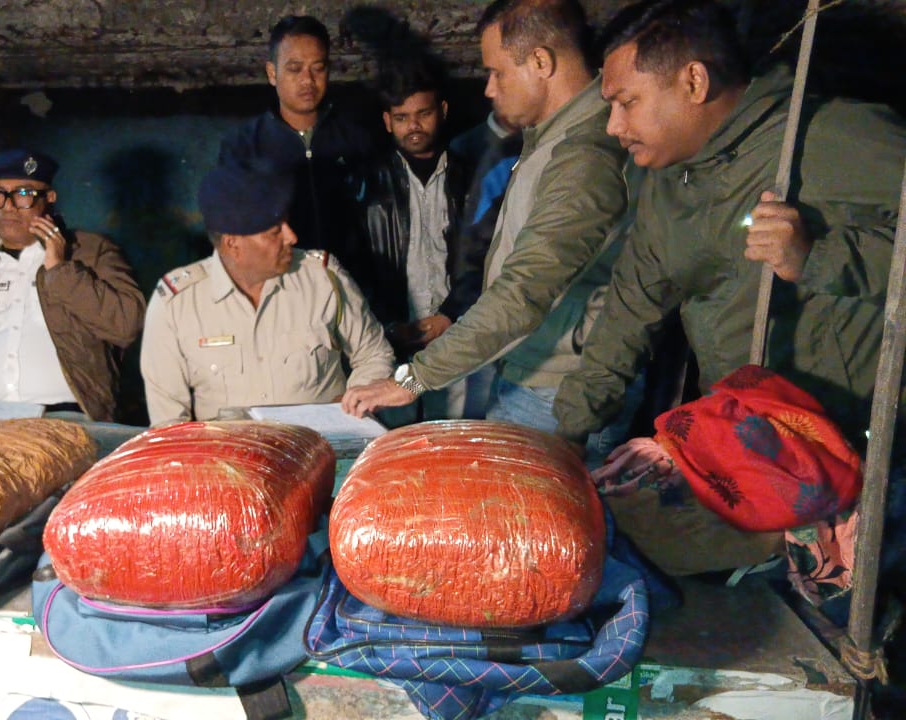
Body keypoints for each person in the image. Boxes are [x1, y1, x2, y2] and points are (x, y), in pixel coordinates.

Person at [552, 0, 906, 577]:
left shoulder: (829, 137)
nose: (614, 126)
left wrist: (820, 258)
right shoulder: (669, 181)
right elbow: (630, 309)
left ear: (693, 81)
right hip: (753, 456)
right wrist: (568, 431)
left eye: (626, 102)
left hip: (858, 458)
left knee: (857, 618)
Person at [343, 0, 635, 464]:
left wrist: (414, 378)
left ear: (540, 62)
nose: (489, 88)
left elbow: (524, 290)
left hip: (560, 390)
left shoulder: (582, 157)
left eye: (497, 72)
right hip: (535, 374)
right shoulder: (549, 140)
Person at [140, 162, 394, 425]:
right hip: (231, 450)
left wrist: (352, 407)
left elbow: (375, 354)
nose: (291, 237)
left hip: (322, 444)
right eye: (275, 232)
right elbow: (168, 421)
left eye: (287, 223)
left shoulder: (322, 279)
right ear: (233, 243)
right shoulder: (176, 304)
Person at [0, 149, 146, 422]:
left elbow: (127, 325)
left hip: (67, 417)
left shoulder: (92, 252)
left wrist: (60, 270)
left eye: (23, 194)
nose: (8, 207)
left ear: (50, 198)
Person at [344, 61, 480, 423]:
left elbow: (484, 257)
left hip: (457, 336)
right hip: (389, 340)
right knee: (395, 439)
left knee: (451, 434)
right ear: (387, 121)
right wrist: (389, 325)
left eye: (423, 114)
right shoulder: (363, 183)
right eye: (402, 117)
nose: (414, 126)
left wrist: (450, 316)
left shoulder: (471, 177)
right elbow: (354, 267)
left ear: (443, 111)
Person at [218, 15, 373, 254]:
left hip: (345, 273)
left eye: (318, 68)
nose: (307, 80)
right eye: (294, 69)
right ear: (272, 73)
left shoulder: (355, 140)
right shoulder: (244, 147)